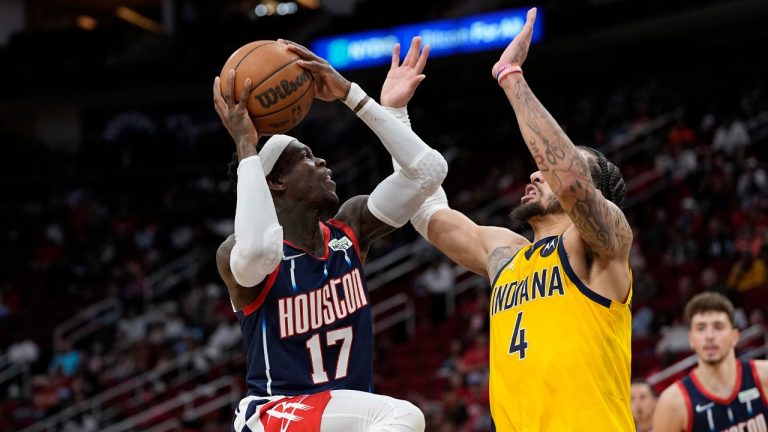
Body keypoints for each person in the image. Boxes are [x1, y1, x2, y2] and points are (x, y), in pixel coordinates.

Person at [398, 8, 634, 430]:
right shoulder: (505, 254)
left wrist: (510, 74)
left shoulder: (601, 244)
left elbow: (570, 180)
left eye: (551, 169)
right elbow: (425, 210)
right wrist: (395, 116)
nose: (534, 171)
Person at [213, 37, 446, 432]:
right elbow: (257, 249)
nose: (321, 160)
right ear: (276, 182)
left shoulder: (350, 226)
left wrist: (350, 94)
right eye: (304, 156)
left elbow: (428, 171)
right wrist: (247, 146)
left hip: (340, 420)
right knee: (401, 416)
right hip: (275, 414)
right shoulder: (237, 254)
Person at [652, 292, 768, 432]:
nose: (709, 336)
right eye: (701, 328)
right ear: (691, 339)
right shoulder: (672, 402)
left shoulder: (764, 376)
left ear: (734, 337)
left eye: (718, 327)